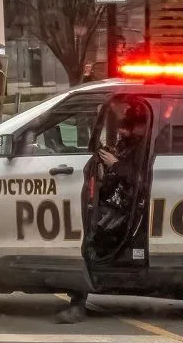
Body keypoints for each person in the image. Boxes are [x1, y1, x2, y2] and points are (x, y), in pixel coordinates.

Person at [55, 101, 150, 324]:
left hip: (129, 212)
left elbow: (141, 183)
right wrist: (110, 165)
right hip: (117, 206)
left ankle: (78, 303)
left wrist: (116, 165)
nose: (122, 132)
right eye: (122, 126)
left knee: (90, 242)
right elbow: (112, 184)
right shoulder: (128, 146)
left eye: (129, 126)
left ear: (142, 127)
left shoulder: (145, 149)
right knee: (88, 233)